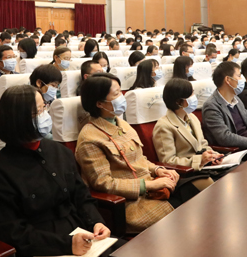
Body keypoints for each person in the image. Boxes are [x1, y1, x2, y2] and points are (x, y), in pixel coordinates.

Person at [0, 85, 120, 257]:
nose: (44, 116)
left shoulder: (59, 151)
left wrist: (96, 222)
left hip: (81, 233)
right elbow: (11, 232)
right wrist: (66, 245)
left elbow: (81, 196)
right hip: (43, 246)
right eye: (37, 112)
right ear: (17, 120)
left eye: (44, 108)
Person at [75, 73, 204, 233]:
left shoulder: (122, 124)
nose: (122, 97)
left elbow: (140, 159)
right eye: (116, 94)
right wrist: (148, 185)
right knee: (192, 213)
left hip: (154, 189)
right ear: (100, 103)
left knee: (201, 191)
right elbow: (104, 183)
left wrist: (158, 170)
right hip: (133, 202)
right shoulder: (89, 138)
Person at [201, 62, 247, 150]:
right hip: (239, 149)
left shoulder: (236, 99)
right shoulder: (211, 106)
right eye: (239, 76)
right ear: (228, 80)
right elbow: (224, 137)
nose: (242, 79)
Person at [153, 79, 222, 171]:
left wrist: (213, 156)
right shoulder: (164, 126)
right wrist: (199, 160)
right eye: (191, 95)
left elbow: (202, 144)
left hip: (205, 166)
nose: (194, 97)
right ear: (178, 102)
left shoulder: (192, 117)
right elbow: (168, 161)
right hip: (186, 172)